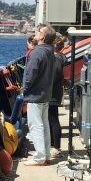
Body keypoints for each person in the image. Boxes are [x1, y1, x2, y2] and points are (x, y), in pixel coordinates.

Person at [22, 23, 57, 166]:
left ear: (42, 36)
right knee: (44, 125)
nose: (35, 33)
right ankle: (46, 154)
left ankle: (39, 157)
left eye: (37, 32)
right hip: (45, 94)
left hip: (35, 95)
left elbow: (30, 75)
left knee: (36, 126)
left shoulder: (37, 52)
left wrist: (24, 90)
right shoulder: (50, 51)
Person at [49, 33, 67, 157]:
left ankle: (56, 147)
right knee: (51, 119)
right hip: (56, 91)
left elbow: (53, 76)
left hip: (52, 92)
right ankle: (53, 145)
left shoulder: (55, 59)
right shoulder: (61, 58)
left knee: (53, 119)